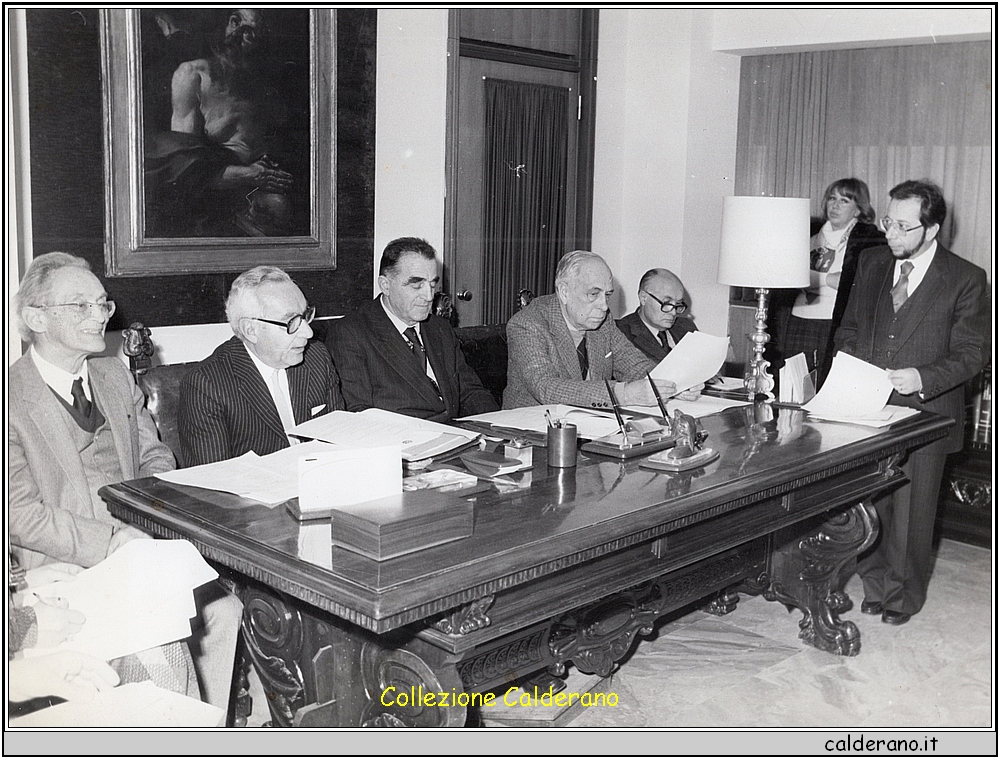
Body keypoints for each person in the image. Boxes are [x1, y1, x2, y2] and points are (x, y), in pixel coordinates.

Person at [9, 252, 241, 711]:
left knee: (223, 612)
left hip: (141, 544)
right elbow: (19, 515)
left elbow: (155, 454)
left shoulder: (113, 374)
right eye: (80, 306)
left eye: (103, 304)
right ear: (35, 317)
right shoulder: (10, 398)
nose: (99, 316)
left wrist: (151, 512)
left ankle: (204, 728)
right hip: (64, 564)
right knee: (157, 646)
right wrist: (111, 542)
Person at [835, 179, 989, 626]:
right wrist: (850, 370)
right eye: (888, 221)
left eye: (904, 226)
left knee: (913, 509)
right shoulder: (871, 261)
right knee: (873, 501)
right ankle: (875, 583)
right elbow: (848, 327)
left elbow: (972, 354)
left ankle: (903, 597)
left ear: (932, 228)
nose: (891, 234)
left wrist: (923, 377)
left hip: (928, 412)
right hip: (868, 406)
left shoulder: (965, 278)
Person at [145, 9, 297, 237]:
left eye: (249, 34)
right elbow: (184, 169)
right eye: (235, 22)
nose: (235, 35)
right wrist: (250, 175)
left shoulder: (269, 88)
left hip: (257, 197)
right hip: (209, 198)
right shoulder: (192, 75)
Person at [180, 266, 344, 466]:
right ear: (251, 330)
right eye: (291, 322)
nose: (308, 332)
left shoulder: (316, 357)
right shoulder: (206, 385)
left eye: (305, 316)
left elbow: (339, 445)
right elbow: (213, 483)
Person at [328, 237, 499, 423]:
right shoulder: (350, 334)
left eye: (432, 284)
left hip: (456, 438)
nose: (429, 296)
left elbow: (469, 391)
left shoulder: (439, 328)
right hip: (403, 444)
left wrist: (499, 426)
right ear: (385, 285)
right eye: (417, 285)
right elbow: (359, 414)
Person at [504, 251, 702, 409]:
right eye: (593, 294)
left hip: (588, 426)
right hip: (531, 435)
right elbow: (547, 388)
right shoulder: (527, 324)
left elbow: (634, 365)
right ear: (564, 292)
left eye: (607, 295)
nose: (605, 306)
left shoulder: (602, 322)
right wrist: (624, 394)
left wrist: (675, 384)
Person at [776, 178, 885, 386]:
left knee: (824, 385)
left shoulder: (868, 241)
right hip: (798, 319)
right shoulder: (808, 236)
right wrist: (829, 280)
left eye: (844, 201)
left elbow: (849, 283)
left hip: (831, 322)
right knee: (794, 386)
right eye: (832, 198)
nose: (835, 205)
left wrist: (810, 278)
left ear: (858, 209)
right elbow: (788, 275)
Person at [616, 268, 697, 362]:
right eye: (667, 303)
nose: (674, 312)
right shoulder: (621, 333)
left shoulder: (686, 327)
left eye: (678, 304)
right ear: (643, 298)